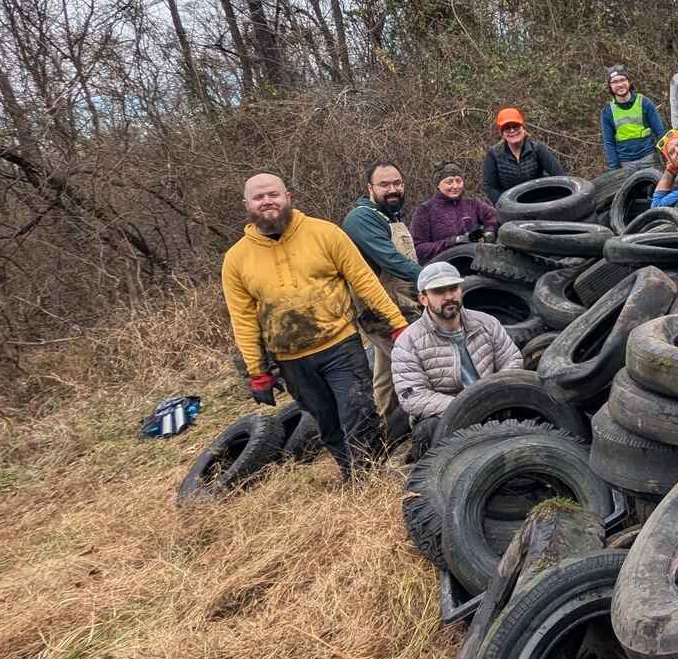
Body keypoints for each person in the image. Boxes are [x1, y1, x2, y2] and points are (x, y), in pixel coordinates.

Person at [222, 172, 406, 479]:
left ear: (288, 198)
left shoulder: (325, 233)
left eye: (274, 194)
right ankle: (353, 476)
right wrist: (258, 372)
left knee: (358, 410)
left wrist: (397, 324)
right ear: (247, 205)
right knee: (327, 421)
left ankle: (371, 476)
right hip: (290, 358)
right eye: (259, 197)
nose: (268, 201)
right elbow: (242, 319)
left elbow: (365, 281)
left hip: (340, 344)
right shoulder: (236, 259)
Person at [341, 163, 425, 424]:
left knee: (386, 373)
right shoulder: (362, 218)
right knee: (417, 365)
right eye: (384, 185)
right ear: (370, 188)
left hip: (403, 303)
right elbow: (390, 260)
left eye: (397, 183)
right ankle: (424, 426)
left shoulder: (391, 216)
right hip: (380, 312)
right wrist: (434, 280)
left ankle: (382, 428)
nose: (393, 189)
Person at [391, 262, 524, 420]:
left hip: (494, 401)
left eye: (454, 288)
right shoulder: (408, 342)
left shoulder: (488, 323)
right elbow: (414, 396)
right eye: (438, 291)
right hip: (448, 413)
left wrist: (495, 396)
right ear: (423, 299)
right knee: (428, 429)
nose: (448, 297)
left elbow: (512, 361)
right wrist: (465, 407)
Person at [412, 162, 501, 260]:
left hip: (475, 261)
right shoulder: (425, 210)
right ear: (438, 184)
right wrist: (453, 242)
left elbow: (495, 216)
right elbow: (419, 248)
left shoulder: (472, 204)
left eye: (458, 181)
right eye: (449, 182)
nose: (455, 186)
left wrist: (490, 231)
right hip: (442, 266)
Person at [484, 107, 566, 205]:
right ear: (502, 133)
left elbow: (559, 175)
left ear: (523, 128)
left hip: (541, 202)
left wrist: (558, 201)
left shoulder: (537, 148)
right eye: (507, 128)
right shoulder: (493, 154)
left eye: (516, 126)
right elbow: (490, 187)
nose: (512, 130)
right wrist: (504, 205)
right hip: (511, 205)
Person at [600, 66, 666, 169]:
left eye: (623, 80)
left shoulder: (644, 102)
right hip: (625, 163)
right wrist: (614, 168)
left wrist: (667, 156)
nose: (620, 84)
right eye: (615, 82)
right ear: (610, 86)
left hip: (649, 159)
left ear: (629, 82)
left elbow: (660, 131)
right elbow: (609, 142)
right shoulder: (607, 111)